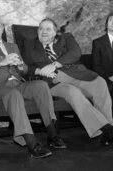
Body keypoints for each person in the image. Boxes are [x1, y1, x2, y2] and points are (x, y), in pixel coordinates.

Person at [0, 15, 66, 159]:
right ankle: (32, 143)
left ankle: (52, 135)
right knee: (13, 95)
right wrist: (1, 63)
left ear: (2, 28)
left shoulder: (12, 46)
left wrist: (21, 65)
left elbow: (25, 70)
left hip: (17, 83)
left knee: (41, 85)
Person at [23, 18, 113, 146]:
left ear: (55, 32)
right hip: (55, 82)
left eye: (48, 29)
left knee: (100, 82)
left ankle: (109, 130)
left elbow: (76, 53)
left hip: (78, 75)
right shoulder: (30, 45)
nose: (43, 32)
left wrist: (54, 64)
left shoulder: (66, 37)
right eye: (40, 28)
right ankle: (104, 128)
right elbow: (25, 67)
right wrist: (39, 71)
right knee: (72, 92)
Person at [92, 12, 113, 99]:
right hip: (107, 79)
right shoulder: (98, 42)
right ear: (106, 24)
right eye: (111, 20)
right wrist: (110, 77)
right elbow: (96, 66)